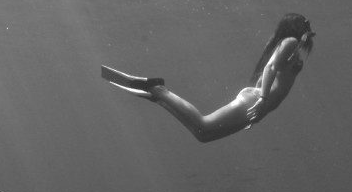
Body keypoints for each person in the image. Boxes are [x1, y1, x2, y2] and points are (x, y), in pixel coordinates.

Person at [102, 13, 314, 142]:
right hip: (255, 100)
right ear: (297, 27)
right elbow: (270, 67)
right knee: (204, 126)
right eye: (307, 27)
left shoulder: (290, 46)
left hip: (256, 103)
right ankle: (159, 90)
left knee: (203, 135)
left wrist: (261, 111)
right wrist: (262, 99)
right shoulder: (290, 42)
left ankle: (160, 99)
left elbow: (269, 74)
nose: (310, 32)